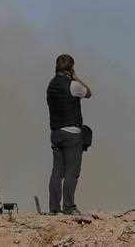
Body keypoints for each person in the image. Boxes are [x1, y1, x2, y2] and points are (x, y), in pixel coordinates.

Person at [47, 54, 92, 215]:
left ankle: (54, 207)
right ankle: (68, 206)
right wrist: (76, 77)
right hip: (71, 134)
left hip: (56, 132)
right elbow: (89, 93)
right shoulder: (73, 85)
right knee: (72, 172)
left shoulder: (51, 85)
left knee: (56, 172)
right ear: (71, 68)